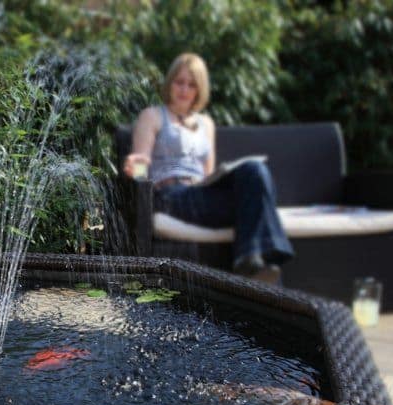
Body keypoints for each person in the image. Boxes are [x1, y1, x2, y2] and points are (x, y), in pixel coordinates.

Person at [123, 52, 293, 283]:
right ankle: (259, 265)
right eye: (179, 82)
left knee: (256, 170)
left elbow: (208, 173)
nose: (184, 90)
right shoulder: (152, 116)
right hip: (170, 196)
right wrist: (137, 170)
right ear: (169, 83)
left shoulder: (207, 124)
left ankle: (250, 261)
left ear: (199, 89)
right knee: (259, 205)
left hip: (202, 195)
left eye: (191, 85)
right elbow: (142, 159)